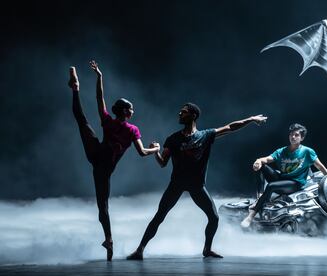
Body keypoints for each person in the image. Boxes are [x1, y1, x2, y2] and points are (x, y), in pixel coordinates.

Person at [126, 103, 267, 260]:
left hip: (197, 186)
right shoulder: (173, 139)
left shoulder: (205, 135)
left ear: (193, 115)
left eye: (184, 112)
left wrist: (251, 119)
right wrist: (156, 152)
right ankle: (139, 250)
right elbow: (162, 163)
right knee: (160, 215)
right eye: (180, 112)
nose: (179, 114)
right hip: (177, 183)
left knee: (214, 217)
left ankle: (207, 249)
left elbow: (230, 127)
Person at [68, 61, 160, 261]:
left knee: (81, 119)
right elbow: (143, 152)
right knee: (103, 207)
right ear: (125, 111)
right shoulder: (132, 130)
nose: (133, 111)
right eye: (131, 109)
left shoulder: (108, 121)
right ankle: (109, 239)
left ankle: (75, 89)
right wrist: (157, 148)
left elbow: (99, 98)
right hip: (103, 166)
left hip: (95, 153)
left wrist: (100, 77)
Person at [241, 123, 327, 228]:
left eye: (296, 135)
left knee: (271, 186)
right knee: (260, 166)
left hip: (295, 183)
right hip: (282, 179)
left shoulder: (307, 151)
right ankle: (259, 198)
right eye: (291, 134)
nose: (293, 137)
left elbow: (319, 166)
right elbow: (268, 159)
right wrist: (259, 161)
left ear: (302, 138)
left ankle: (250, 216)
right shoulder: (282, 150)